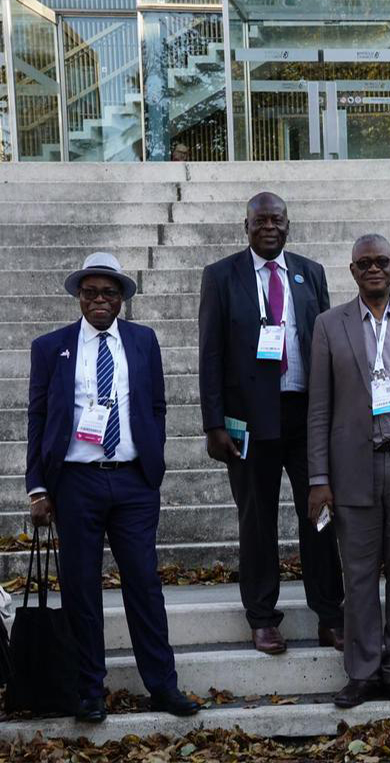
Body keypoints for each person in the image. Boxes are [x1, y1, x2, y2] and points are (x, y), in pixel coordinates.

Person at [26, 252, 199, 723]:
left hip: (133, 482)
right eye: (90, 292)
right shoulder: (51, 347)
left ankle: (163, 686)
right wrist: (37, 487)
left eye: (108, 293)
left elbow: (157, 405)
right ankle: (89, 691)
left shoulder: (143, 341)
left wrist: (152, 453)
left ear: (122, 298)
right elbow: (37, 416)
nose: (99, 300)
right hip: (75, 483)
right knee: (81, 589)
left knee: (143, 583)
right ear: (79, 297)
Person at [197, 191, 344, 655]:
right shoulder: (221, 276)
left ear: (288, 225)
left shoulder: (309, 273)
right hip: (248, 420)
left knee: (320, 517)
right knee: (257, 522)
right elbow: (210, 353)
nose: (269, 227)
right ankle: (262, 618)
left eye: (276, 220)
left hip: (306, 416)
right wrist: (213, 423)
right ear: (246, 226)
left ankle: (330, 615)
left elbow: (326, 345)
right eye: (260, 220)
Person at [307, 234, 390, 708]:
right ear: (352, 271)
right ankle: (362, 672)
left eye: (380, 261)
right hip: (353, 467)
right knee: (360, 574)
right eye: (363, 263)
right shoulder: (329, 325)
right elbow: (319, 409)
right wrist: (318, 478)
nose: (373, 269)